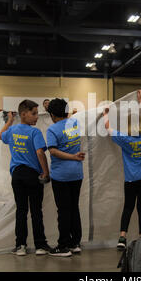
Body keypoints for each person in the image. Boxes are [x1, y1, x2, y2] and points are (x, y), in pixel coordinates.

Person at [0, 100, 51, 256]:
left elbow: (1, 135)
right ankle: (40, 245)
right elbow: (40, 153)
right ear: (23, 114)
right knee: (36, 210)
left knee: (21, 210)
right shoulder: (34, 132)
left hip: (17, 175)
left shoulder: (13, 130)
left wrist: (9, 121)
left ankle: (20, 245)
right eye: (34, 113)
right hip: (32, 175)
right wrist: (45, 172)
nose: (36, 117)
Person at [103, 90, 141, 250]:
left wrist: (105, 113)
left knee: (128, 207)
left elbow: (107, 127)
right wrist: (140, 101)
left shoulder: (124, 138)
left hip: (131, 179)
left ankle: (122, 237)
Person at [46, 98, 85, 257]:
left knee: (63, 210)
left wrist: (72, 157)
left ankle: (63, 246)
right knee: (74, 208)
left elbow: (53, 151)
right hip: (76, 174)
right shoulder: (74, 124)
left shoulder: (52, 129)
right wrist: (75, 157)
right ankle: (74, 243)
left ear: (53, 115)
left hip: (61, 175)